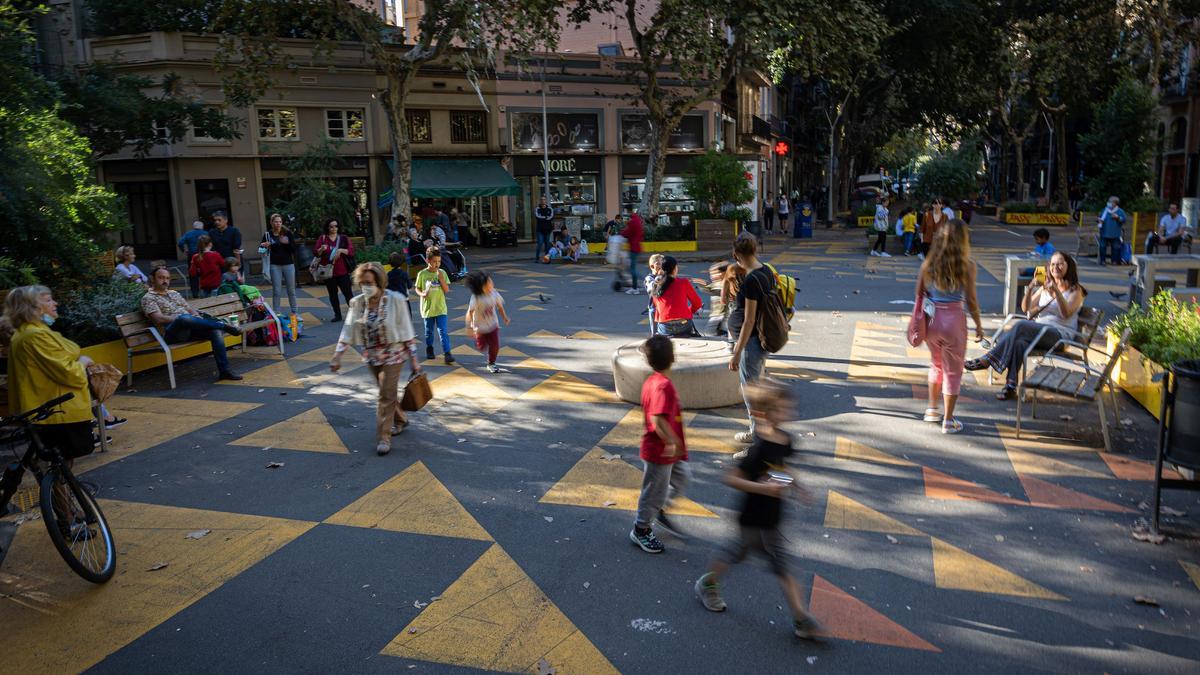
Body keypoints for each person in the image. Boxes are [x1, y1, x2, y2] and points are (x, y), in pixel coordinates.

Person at [694, 380, 821, 640]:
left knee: (768, 560)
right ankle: (708, 583)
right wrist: (762, 488)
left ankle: (800, 618)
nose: (789, 413)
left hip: (772, 518)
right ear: (765, 414)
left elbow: (779, 471)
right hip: (752, 518)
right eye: (782, 409)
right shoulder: (757, 448)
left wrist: (797, 487)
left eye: (789, 408)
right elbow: (731, 479)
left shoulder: (785, 440)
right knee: (739, 555)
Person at [1, 286, 102, 528]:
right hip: (55, 412)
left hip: (52, 410)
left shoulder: (33, 332)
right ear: (32, 308)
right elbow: (69, 373)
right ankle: (67, 519)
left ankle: (67, 514)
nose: (55, 303)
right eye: (48, 300)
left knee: (57, 466)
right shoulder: (35, 336)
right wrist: (83, 362)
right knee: (59, 468)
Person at [966, 251, 1085, 400]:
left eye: (1060, 263)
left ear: (1069, 266)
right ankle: (1010, 386)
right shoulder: (1045, 287)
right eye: (1053, 264)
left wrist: (1056, 291)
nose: (1056, 267)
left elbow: (1066, 313)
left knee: (1021, 325)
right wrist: (1030, 288)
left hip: (1059, 336)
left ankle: (988, 359)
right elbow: (1025, 308)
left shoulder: (1076, 290)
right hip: (1040, 332)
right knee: (1019, 343)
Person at [330, 262, 418, 456]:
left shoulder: (396, 300)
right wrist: (337, 355)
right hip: (371, 356)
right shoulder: (358, 302)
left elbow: (406, 329)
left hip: (394, 354)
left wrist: (414, 359)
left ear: (379, 282)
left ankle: (383, 438)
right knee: (386, 394)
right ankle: (401, 419)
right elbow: (348, 329)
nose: (365, 287)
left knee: (385, 396)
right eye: (362, 283)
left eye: (369, 282)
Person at [917, 219, 983, 434]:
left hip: (932, 321)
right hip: (955, 321)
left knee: (936, 364)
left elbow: (919, 293)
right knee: (953, 371)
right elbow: (972, 300)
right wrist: (979, 326)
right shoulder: (968, 265)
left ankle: (931, 409)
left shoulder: (929, 263)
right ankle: (948, 420)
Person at [630, 335, 689, 554]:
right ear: (673, 358)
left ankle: (661, 508)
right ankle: (641, 529)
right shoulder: (662, 386)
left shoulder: (654, 381)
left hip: (669, 452)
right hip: (659, 451)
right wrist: (672, 442)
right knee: (653, 491)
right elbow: (657, 419)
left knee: (683, 478)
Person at [141, 267, 243, 381]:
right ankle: (222, 325)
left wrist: (197, 318)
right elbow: (159, 319)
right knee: (183, 318)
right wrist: (180, 318)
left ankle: (225, 371)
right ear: (152, 279)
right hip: (172, 333)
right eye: (161, 278)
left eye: (167, 278)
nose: (165, 281)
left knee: (215, 332)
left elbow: (189, 309)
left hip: (190, 328)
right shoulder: (148, 298)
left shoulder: (174, 293)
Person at [728, 234, 775, 444]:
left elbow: (749, 320)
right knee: (756, 390)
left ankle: (758, 441)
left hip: (751, 343)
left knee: (752, 394)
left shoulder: (751, 281)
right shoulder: (766, 270)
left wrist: (737, 353)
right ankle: (757, 432)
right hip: (761, 339)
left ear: (736, 254)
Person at [414, 246, 454, 364]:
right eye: (434, 262)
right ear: (428, 261)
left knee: (443, 331)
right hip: (428, 309)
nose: (437, 264)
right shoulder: (422, 274)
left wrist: (441, 279)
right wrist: (422, 293)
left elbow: (446, 290)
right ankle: (429, 348)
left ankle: (447, 353)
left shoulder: (442, 273)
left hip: (441, 308)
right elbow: (417, 289)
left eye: (439, 261)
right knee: (429, 332)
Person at [465, 270, 510, 373]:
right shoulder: (476, 298)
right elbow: (470, 312)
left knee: (495, 346)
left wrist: (505, 318)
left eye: (491, 281)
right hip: (480, 328)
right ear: (482, 288)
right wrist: (470, 326)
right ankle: (479, 341)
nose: (491, 284)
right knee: (481, 347)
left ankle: (491, 363)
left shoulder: (494, 294)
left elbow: (500, 307)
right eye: (488, 283)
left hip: (493, 325)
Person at [315, 218, 356, 322]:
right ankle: (337, 315)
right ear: (327, 228)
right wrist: (321, 249)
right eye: (331, 226)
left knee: (348, 294)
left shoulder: (343, 238)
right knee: (333, 294)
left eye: (336, 226)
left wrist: (341, 250)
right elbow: (315, 253)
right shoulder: (323, 238)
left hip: (342, 271)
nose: (334, 228)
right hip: (328, 272)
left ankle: (354, 314)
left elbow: (351, 251)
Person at [651, 256, 703, 337]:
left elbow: (656, 305)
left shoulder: (656, 284)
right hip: (684, 324)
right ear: (675, 268)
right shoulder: (683, 283)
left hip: (665, 326)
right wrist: (687, 311)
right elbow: (698, 303)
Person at [261, 213, 298, 316]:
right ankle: (276, 313)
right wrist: (264, 246)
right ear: (271, 222)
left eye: (280, 222)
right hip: (274, 265)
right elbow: (261, 250)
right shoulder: (268, 235)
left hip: (288, 264)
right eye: (276, 221)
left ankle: (295, 312)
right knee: (276, 290)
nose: (278, 224)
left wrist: (286, 243)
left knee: (291, 290)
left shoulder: (287, 233)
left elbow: (294, 249)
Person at [178, 220, 207, 298]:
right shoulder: (205, 233)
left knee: (193, 274)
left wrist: (184, 250)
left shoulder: (188, 233)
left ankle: (195, 293)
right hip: (204, 255)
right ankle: (205, 292)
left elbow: (180, 242)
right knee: (205, 273)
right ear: (202, 227)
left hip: (192, 256)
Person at [701, 261, 730, 337]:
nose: (712, 276)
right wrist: (704, 287)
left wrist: (707, 288)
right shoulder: (715, 283)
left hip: (722, 313)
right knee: (718, 331)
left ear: (724, 273)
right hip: (717, 313)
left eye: (715, 273)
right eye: (711, 274)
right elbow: (709, 289)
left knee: (709, 332)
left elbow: (718, 291)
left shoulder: (724, 283)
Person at [1097, 196, 1127, 266]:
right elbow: (1099, 217)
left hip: (1115, 233)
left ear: (1115, 203)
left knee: (1115, 247)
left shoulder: (1120, 211)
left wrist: (1118, 217)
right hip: (1104, 232)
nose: (1109, 203)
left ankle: (1114, 261)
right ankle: (1102, 261)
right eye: (1109, 202)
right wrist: (1098, 220)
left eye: (1110, 202)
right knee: (1102, 246)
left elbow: (1124, 220)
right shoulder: (1105, 210)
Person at [386, 251, 413, 323]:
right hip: (404, 298)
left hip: (393, 299)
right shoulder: (404, 273)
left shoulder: (389, 274)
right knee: (407, 319)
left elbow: (386, 287)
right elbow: (410, 285)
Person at [622, 210, 645, 294]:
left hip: (633, 247)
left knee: (631, 269)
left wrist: (621, 233)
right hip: (636, 246)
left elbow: (628, 232)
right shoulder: (637, 220)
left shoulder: (633, 222)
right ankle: (637, 285)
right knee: (631, 268)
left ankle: (636, 287)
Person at [643, 254, 665, 335]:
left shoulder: (664, 276)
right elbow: (652, 290)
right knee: (656, 333)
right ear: (652, 266)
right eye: (658, 263)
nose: (661, 265)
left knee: (665, 331)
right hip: (654, 308)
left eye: (662, 263)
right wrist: (659, 277)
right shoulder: (649, 278)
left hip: (664, 307)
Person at [534, 197, 555, 262]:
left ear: (546, 201)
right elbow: (537, 217)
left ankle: (546, 258)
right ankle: (537, 258)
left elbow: (551, 217)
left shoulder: (550, 209)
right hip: (540, 230)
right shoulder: (537, 209)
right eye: (542, 200)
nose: (543, 201)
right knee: (540, 243)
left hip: (548, 229)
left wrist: (543, 218)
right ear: (540, 201)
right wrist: (546, 217)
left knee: (547, 244)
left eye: (544, 200)